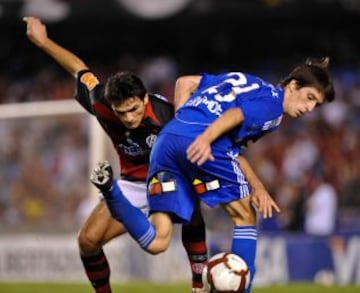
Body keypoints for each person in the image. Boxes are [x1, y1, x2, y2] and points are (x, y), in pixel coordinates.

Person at [91, 57, 335, 293]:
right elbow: (235, 116)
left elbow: (185, 83)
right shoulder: (272, 105)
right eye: (309, 98)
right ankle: (242, 288)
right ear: (293, 85)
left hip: (166, 143)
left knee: (157, 242)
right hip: (202, 144)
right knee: (245, 217)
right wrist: (204, 139)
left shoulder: (247, 81)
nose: (309, 108)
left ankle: (110, 190)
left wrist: (257, 186)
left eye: (316, 104)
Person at [23, 16, 208, 293]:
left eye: (134, 110)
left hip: (166, 179)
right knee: (87, 241)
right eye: (122, 113)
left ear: (145, 99)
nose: (130, 119)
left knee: (186, 209)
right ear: (111, 106)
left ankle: (199, 284)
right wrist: (43, 41)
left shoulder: (168, 116)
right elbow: (78, 69)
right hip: (132, 183)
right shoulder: (100, 103)